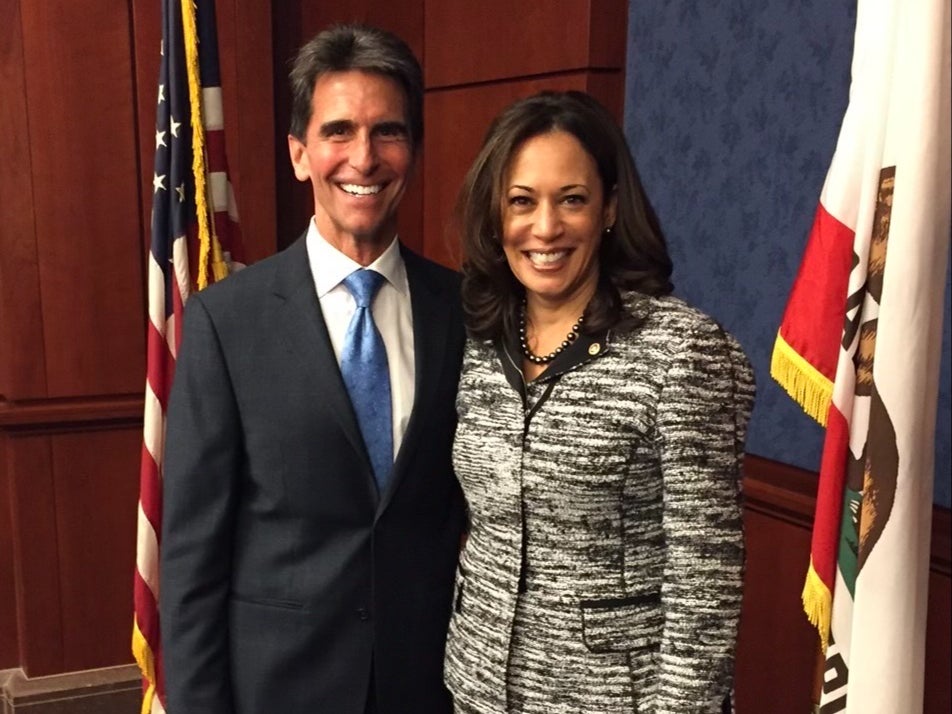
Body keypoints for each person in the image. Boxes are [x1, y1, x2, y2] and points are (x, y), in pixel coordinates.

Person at [160, 24, 465, 714]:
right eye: (338, 132)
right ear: (300, 154)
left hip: (428, 685)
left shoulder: (465, 313)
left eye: (388, 131)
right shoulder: (225, 323)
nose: (364, 157)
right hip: (278, 688)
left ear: (412, 152)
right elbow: (191, 562)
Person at [443, 90, 756, 714]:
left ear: (610, 208)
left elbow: (705, 579)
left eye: (572, 200)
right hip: (478, 687)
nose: (546, 227)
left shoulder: (681, 351)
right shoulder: (480, 340)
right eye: (521, 202)